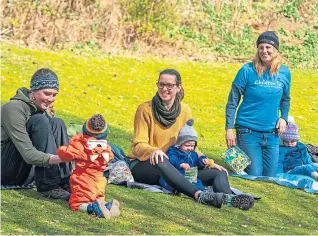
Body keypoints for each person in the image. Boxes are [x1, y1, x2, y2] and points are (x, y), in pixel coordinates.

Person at [130, 68, 255, 210]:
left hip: (179, 166)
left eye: (169, 85)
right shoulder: (145, 109)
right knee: (162, 159)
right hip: (148, 164)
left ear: (178, 88)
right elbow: (137, 145)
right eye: (161, 84)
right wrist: (154, 151)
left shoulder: (185, 110)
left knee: (218, 172)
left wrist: (208, 162)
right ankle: (199, 195)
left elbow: (189, 144)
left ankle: (229, 199)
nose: (164, 89)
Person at [225, 31, 291, 177]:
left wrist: (283, 118)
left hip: (272, 133)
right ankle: (233, 158)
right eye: (261, 47)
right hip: (248, 130)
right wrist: (229, 129)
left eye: (268, 47)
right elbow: (232, 102)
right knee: (254, 174)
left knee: (270, 176)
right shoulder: (247, 70)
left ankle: (242, 159)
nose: (264, 51)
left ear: (275, 50)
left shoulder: (284, 73)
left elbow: (285, 99)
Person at [1, 68, 72, 200]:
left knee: (57, 122)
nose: (51, 99)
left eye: (54, 95)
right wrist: (64, 157)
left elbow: (49, 140)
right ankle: (48, 186)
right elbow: (28, 154)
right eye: (47, 94)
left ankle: (65, 182)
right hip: (4, 169)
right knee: (40, 120)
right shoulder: (13, 108)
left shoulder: (38, 108)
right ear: (33, 91)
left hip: (24, 170)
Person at [57, 114, 120, 218]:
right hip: (99, 181)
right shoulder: (106, 148)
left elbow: (66, 153)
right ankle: (107, 206)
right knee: (98, 198)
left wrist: (61, 149)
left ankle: (93, 208)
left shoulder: (80, 144)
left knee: (76, 203)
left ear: (84, 130)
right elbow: (110, 157)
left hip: (83, 180)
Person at [159, 119, 215, 192]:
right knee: (166, 181)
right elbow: (172, 160)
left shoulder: (193, 154)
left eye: (192, 146)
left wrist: (202, 160)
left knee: (198, 183)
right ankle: (177, 190)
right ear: (180, 144)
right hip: (175, 174)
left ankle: (201, 191)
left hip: (189, 177)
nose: (190, 148)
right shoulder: (173, 151)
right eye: (187, 145)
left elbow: (196, 163)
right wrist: (180, 164)